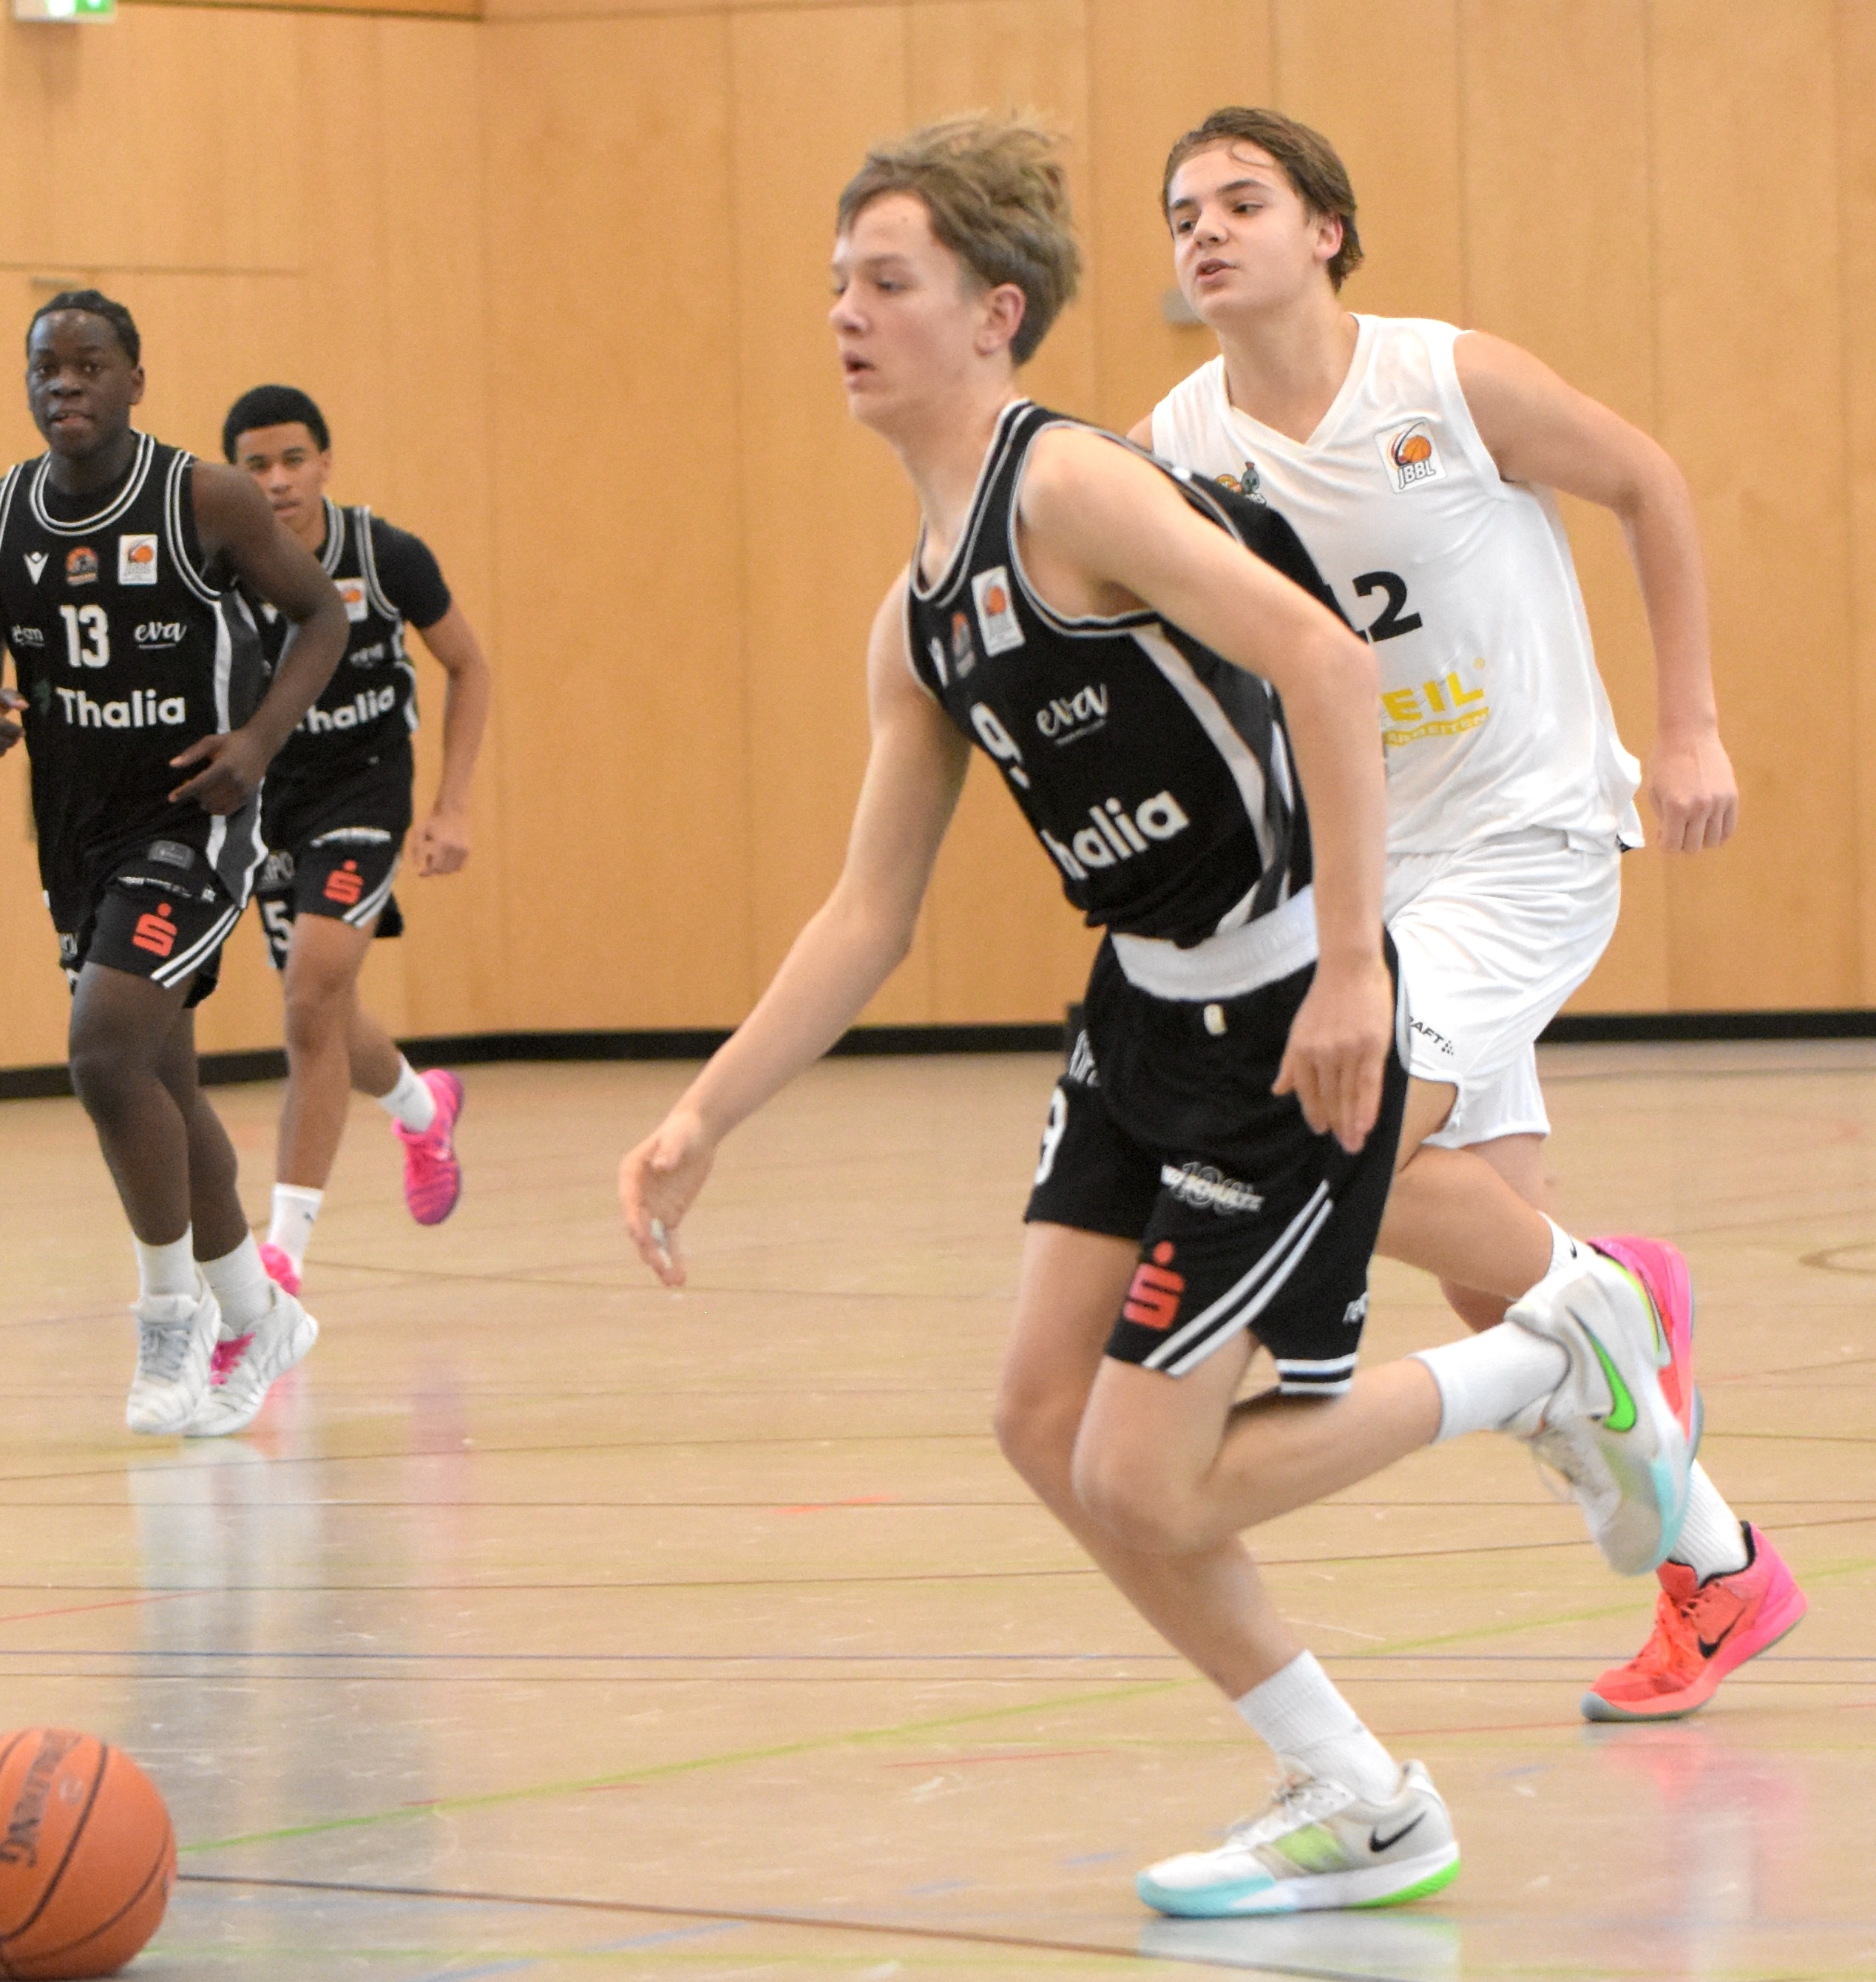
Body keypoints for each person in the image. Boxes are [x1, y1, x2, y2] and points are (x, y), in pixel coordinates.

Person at [617, 116, 1698, 1918]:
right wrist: (704, 1111)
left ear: (993, 313)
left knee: (1151, 1474)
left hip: (1280, 1001)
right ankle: (1353, 1795)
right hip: (1137, 1018)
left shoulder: (1070, 489)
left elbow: (1326, 661)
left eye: (885, 282)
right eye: (832, 285)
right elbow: (866, 910)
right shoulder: (921, 616)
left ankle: (1543, 1354)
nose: (844, 314)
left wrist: (1353, 964)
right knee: (1041, 1424)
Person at [1136, 106, 1804, 1724]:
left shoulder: (1438, 382)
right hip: (1367, 879)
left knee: (1334, 1144)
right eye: (1179, 213)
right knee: (1486, 1281)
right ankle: (1715, 1568)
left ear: (1326, 232)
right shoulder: (1181, 441)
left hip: (1526, 843)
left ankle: (1619, 1298)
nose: (1205, 230)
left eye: (1243, 200)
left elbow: (1644, 482)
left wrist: (1691, 721)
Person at [0, 291, 348, 1439]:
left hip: (192, 823)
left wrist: (259, 742)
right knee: (158, 1084)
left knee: (103, 1051)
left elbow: (320, 617)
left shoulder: (200, 499)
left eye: (89, 365)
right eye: (44, 368)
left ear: (134, 381)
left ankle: (168, 1315)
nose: (64, 383)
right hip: (78, 836)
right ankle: (255, 1311)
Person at [223, 385, 490, 1295]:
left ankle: (283, 1255)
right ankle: (423, 1106)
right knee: (326, 1013)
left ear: (326, 462)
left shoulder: (384, 556)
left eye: (294, 459)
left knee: (309, 995)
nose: (278, 480)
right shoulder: (220, 575)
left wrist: (451, 807)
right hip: (269, 805)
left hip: (363, 792)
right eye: (256, 465)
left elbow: (469, 664)